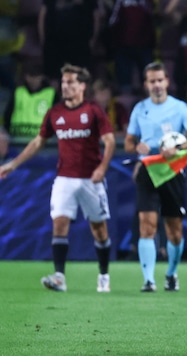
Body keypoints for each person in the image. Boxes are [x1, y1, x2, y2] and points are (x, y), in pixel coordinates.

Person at [0, 64, 115, 293]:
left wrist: (102, 168)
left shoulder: (93, 111)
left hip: (91, 179)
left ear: (82, 85)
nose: (66, 86)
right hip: (64, 178)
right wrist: (12, 164)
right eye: (63, 82)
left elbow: (110, 141)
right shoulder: (55, 113)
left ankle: (103, 274)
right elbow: (37, 143)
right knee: (59, 223)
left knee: (99, 230)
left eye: (71, 82)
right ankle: (60, 276)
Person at [124, 61, 187, 292]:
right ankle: (148, 280)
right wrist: (136, 147)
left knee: (174, 231)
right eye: (152, 81)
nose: (157, 85)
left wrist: (179, 149)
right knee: (147, 226)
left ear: (167, 82)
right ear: (146, 84)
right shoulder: (140, 109)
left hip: (172, 171)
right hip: (148, 170)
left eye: (160, 80)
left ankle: (171, 273)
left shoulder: (179, 108)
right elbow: (129, 142)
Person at [3, 63, 56, 139]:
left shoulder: (51, 93)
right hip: (18, 137)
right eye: (31, 76)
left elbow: (57, 116)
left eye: (36, 76)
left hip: (42, 140)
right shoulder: (18, 92)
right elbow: (8, 114)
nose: (33, 79)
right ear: (26, 77)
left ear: (42, 77)